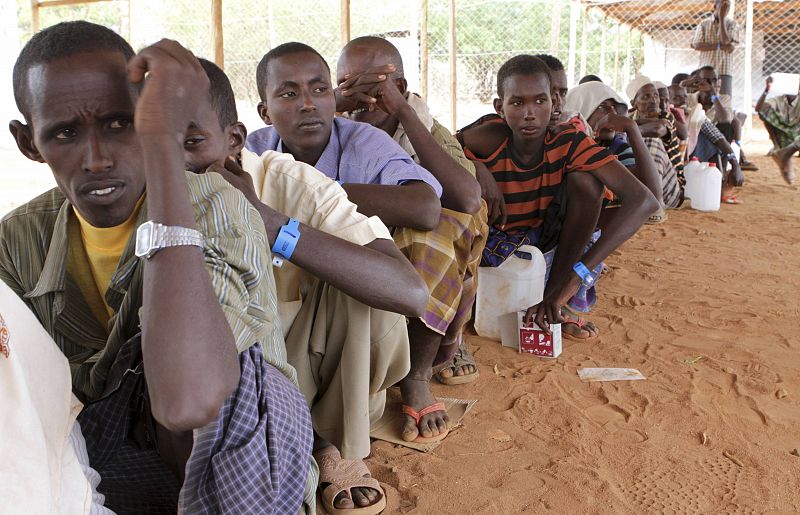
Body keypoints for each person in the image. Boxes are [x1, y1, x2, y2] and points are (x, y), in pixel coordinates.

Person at [2, 22, 314, 513]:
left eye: (120, 124)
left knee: (231, 370)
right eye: (64, 133)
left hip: (235, 471)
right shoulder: (17, 240)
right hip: (98, 461)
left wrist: (163, 150)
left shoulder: (217, 204)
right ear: (29, 143)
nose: (98, 159)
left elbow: (189, 401)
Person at [185, 57, 431, 514]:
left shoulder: (292, 183)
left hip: (292, 367)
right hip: (193, 383)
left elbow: (409, 291)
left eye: (191, 143)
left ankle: (329, 443)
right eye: (152, 147)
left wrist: (270, 224)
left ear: (233, 140)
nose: (171, 165)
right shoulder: (128, 197)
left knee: (358, 280)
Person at [245, 41, 464, 512]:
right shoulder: (251, 153)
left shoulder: (361, 141)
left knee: (361, 274)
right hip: (269, 311)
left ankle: (332, 445)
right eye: (288, 93)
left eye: (320, 89)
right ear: (263, 110)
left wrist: (311, 198)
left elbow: (428, 205)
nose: (307, 103)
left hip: (328, 305)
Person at [457, 55, 659, 341]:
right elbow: (440, 149)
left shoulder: (568, 142)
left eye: (540, 101)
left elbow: (646, 201)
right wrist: (476, 167)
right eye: (517, 103)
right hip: (484, 246)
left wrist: (574, 279)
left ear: (553, 103)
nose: (530, 113)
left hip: (541, 250)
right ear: (500, 107)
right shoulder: (489, 137)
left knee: (588, 182)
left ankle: (554, 300)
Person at [334, 35, 487, 389]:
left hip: (417, 248)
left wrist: (402, 110)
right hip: (363, 245)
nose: (357, 99)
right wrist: (332, 101)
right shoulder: (333, 125)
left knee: (441, 229)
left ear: (398, 88)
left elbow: (467, 200)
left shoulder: (423, 127)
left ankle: (419, 370)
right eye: (346, 86)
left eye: (368, 87)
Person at [563, 81, 666, 223]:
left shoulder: (616, 146)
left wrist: (633, 130)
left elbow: (653, 198)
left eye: (614, 108)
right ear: (583, 109)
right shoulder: (566, 143)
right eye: (603, 107)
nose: (613, 114)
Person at [626, 76, 685, 209]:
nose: (653, 101)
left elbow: (658, 129)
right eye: (646, 97)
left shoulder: (665, 117)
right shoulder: (629, 119)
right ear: (633, 103)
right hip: (639, 186)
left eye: (655, 95)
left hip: (670, 190)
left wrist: (627, 130)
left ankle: (654, 206)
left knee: (651, 139)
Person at [691, 0, 739, 99]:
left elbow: (727, 43)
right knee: (704, 100)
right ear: (714, 6)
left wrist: (721, 19)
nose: (725, 8)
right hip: (705, 72)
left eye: (728, 6)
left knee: (723, 101)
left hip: (724, 72)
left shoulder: (732, 24)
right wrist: (719, 46)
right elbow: (697, 45)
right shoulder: (703, 24)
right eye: (722, 5)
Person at [756, 76, 799, 184]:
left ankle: (782, 155)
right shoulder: (779, 100)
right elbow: (758, 109)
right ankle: (779, 150)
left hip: (797, 133)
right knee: (765, 112)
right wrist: (767, 89)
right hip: (783, 134)